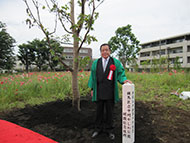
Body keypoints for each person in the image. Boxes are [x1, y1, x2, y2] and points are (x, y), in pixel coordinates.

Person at [88, 43, 132, 140]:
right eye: (103, 50)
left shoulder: (115, 62)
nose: (105, 52)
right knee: (98, 112)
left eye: (106, 50)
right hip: (99, 91)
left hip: (110, 91)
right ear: (100, 52)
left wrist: (124, 80)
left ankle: (109, 130)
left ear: (110, 51)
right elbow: (92, 77)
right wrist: (92, 89)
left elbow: (121, 73)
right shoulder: (96, 63)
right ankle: (97, 129)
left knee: (110, 112)